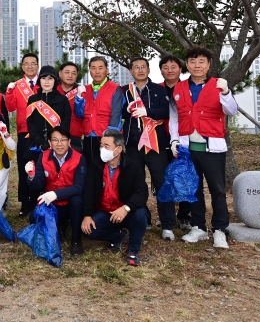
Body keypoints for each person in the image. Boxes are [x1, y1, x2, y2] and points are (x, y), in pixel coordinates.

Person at [169, 46, 239, 249]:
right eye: (192, 61)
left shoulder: (218, 85)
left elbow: (232, 110)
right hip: (187, 147)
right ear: (187, 65)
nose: (197, 65)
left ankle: (220, 230)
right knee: (193, 189)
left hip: (212, 148)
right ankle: (199, 226)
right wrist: (174, 140)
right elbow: (175, 117)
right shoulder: (179, 88)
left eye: (201, 61)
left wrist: (226, 92)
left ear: (208, 64)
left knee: (217, 190)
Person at [120, 57, 175, 240]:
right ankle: (143, 219)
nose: (140, 70)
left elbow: (167, 111)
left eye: (143, 67)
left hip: (155, 145)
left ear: (149, 70)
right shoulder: (125, 92)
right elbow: (117, 112)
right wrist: (125, 110)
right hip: (133, 145)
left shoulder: (159, 90)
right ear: (131, 71)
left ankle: (167, 224)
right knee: (136, 184)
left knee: (161, 183)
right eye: (136, 67)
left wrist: (148, 112)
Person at [81, 129, 150, 266]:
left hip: (126, 212)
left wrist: (126, 208)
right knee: (88, 230)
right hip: (105, 212)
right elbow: (88, 191)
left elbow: (142, 192)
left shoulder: (133, 166)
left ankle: (133, 251)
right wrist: (87, 215)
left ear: (118, 149)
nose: (102, 149)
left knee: (140, 214)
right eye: (101, 145)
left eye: (106, 146)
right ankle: (118, 236)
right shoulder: (95, 165)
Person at [25, 126, 88, 256]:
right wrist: (31, 176)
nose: (59, 144)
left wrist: (55, 194)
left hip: (70, 203)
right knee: (33, 218)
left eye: (63, 140)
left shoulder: (79, 158)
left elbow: (79, 187)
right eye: (55, 140)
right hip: (52, 204)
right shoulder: (43, 157)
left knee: (78, 201)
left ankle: (76, 240)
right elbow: (38, 185)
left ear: (69, 141)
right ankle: (60, 226)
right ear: (49, 143)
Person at [4, 52, 41, 215]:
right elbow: (10, 108)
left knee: (41, 166)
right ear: (22, 67)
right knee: (24, 167)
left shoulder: (45, 82)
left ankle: (39, 200)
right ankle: (25, 203)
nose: (30, 66)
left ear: (37, 66)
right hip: (24, 132)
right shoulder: (17, 85)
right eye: (27, 63)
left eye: (33, 63)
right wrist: (10, 92)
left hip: (42, 133)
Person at [73, 56, 125, 166]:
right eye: (93, 68)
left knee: (107, 168)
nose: (97, 71)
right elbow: (79, 114)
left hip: (106, 136)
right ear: (89, 71)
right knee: (91, 168)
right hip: (88, 137)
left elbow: (116, 115)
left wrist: (110, 140)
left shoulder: (115, 89)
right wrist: (79, 99)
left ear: (106, 70)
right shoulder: (85, 89)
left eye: (100, 68)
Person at [159, 54, 191, 231]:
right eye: (165, 67)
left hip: (185, 139)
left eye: (173, 66)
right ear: (161, 70)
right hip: (161, 140)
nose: (170, 70)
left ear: (181, 69)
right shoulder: (156, 89)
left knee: (184, 176)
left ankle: (184, 214)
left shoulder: (187, 87)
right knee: (166, 178)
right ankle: (167, 217)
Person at [26, 65, 73, 154]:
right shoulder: (32, 99)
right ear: (39, 80)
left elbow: (65, 123)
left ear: (55, 81)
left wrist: (54, 141)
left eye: (50, 78)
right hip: (36, 145)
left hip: (57, 145)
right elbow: (30, 123)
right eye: (43, 78)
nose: (47, 82)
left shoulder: (62, 100)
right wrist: (41, 142)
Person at [57, 62, 85, 151]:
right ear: (60, 74)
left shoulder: (82, 91)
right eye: (67, 72)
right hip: (54, 135)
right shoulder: (52, 90)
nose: (70, 75)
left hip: (75, 135)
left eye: (74, 73)